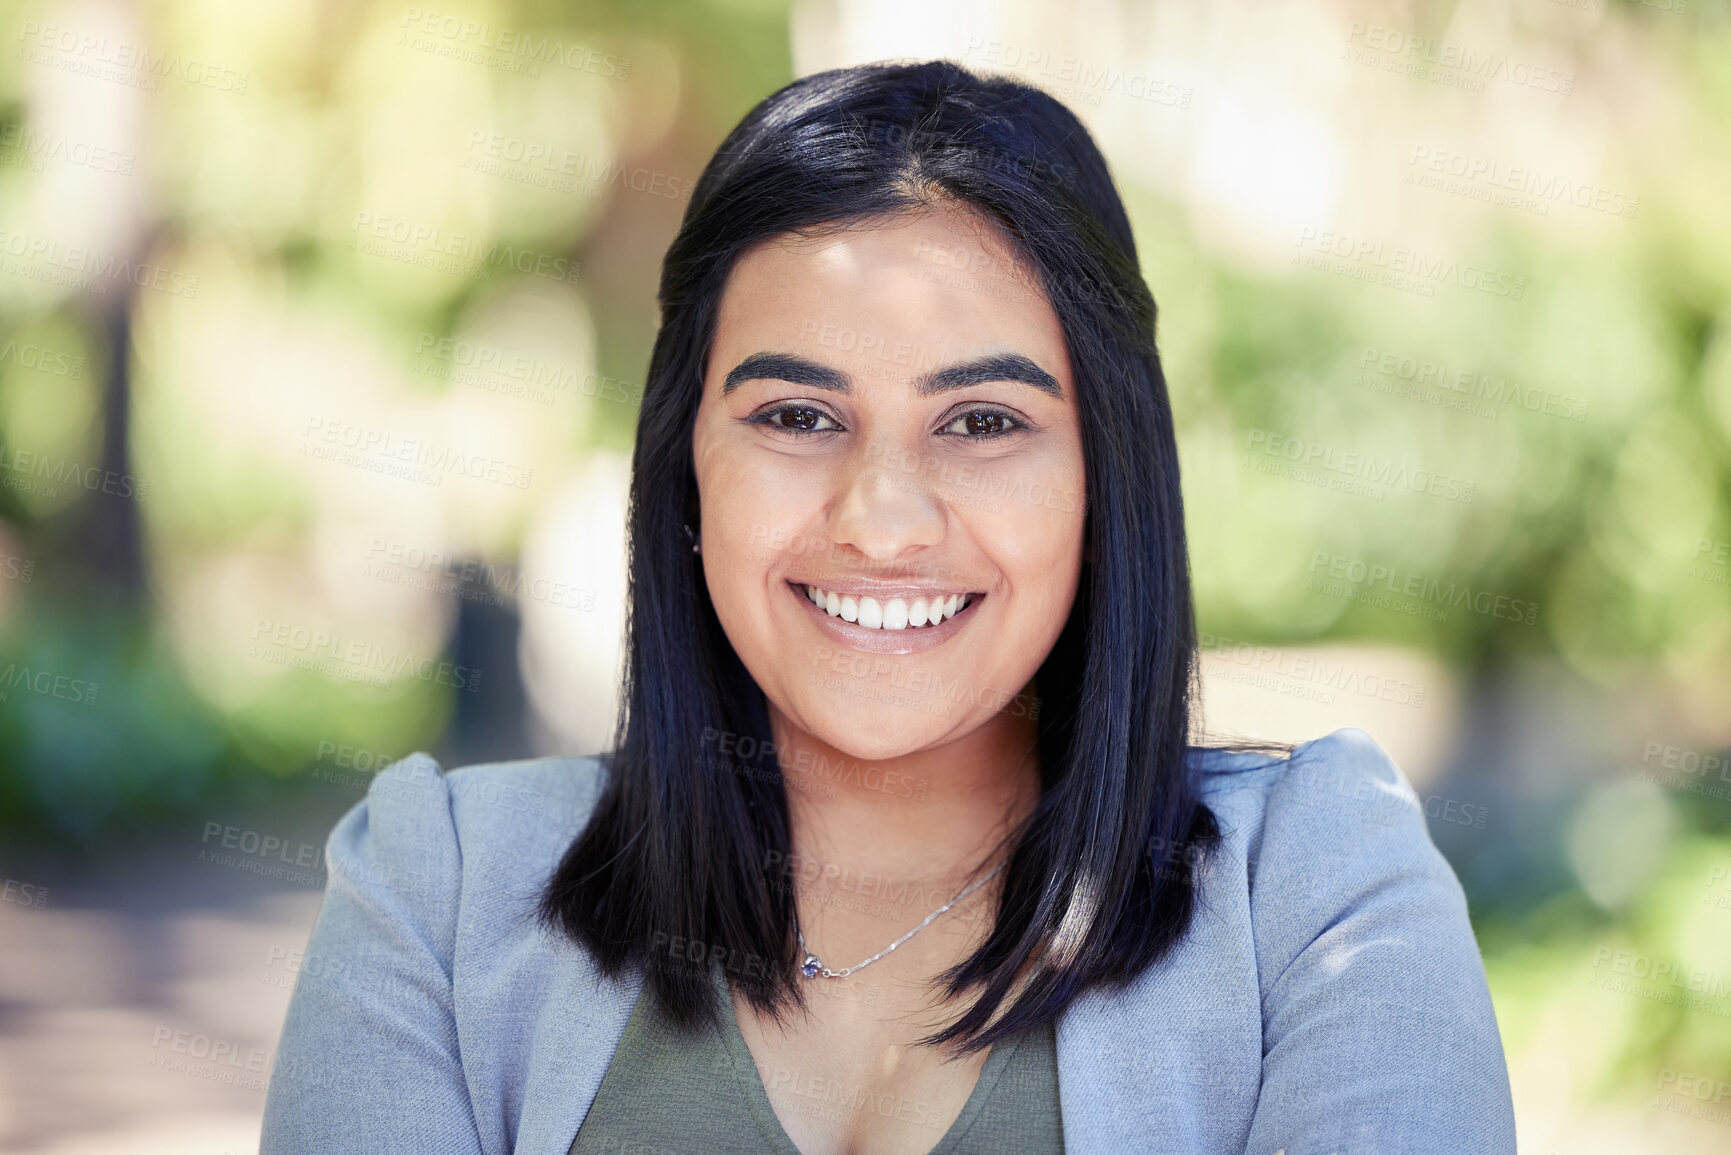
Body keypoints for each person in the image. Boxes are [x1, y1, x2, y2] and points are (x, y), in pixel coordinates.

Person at [260, 59, 1516, 1154]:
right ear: (685, 461)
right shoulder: (434, 895)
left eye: (983, 422)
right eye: (797, 417)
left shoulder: (1316, 897)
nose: (880, 518)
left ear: (1104, 474)